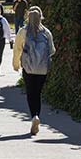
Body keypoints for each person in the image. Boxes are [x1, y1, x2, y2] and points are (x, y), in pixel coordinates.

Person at [13, 7, 55, 135]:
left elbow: (17, 50)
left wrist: (16, 64)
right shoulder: (46, 32)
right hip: (42, 69)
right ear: (41, 17)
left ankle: (34, 116)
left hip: (28, 68)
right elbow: (52, 50)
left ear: (28, 18)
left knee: (31, 94)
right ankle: (37, 115)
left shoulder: (23, 32)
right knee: (38, 93)